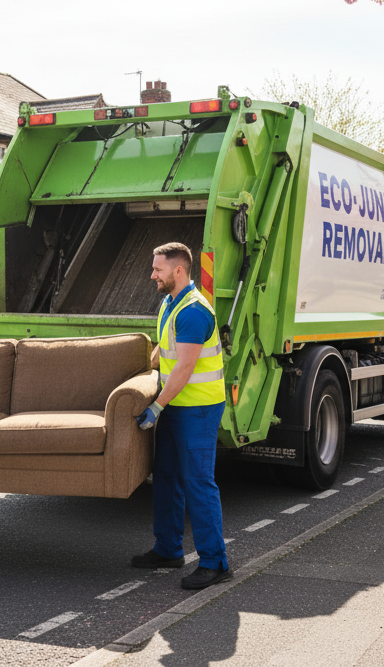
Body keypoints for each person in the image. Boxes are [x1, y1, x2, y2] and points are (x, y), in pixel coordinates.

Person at [130, 242, 232, 590]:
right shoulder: (170, 303)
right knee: (167, 475)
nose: (152, 274)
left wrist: (156, 407)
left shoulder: (194, 311)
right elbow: (166, 350)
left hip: (198, 407)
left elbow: (186, 367)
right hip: (177, 403)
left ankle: (215, 562)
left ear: (178, 271)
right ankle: (169, 548)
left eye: (157, 269)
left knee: (198, 482)